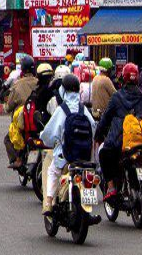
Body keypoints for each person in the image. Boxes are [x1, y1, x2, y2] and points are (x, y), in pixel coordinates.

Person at [40, 73, 96, 217]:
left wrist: (44, 139)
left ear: (63, 90)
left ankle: (48, 202)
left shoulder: (62, 110)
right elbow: (93, 129)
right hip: (84, 157)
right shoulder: (84, 109)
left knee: (52, 171)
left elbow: (49, 134)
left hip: (65, 156)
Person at [96, 62, 142, 202]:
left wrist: (98, 135)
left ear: (123, 78)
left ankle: (111, 186)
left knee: (103, 153)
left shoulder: (117, 97)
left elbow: (105, 119)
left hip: (119, 142)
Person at [3, 55, 38, 168]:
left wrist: (5, 106)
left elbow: (9, 107)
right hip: (38, 121)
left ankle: (16, 160)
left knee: (8, 138)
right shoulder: (38, 83)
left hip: (23, 123)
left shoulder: (17, 85)